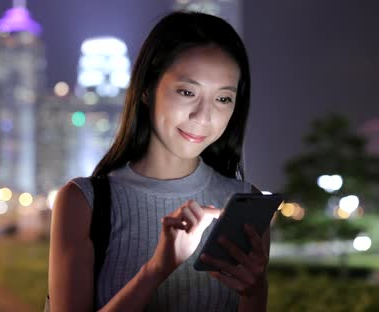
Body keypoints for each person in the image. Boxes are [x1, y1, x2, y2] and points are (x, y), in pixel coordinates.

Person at [48, 10, 269, 312]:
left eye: (223, 99)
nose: (203, 116)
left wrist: (255, 292)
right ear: (146, 90)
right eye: (187, 91)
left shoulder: (243, 206)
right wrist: (156, 270)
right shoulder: (84, 203)